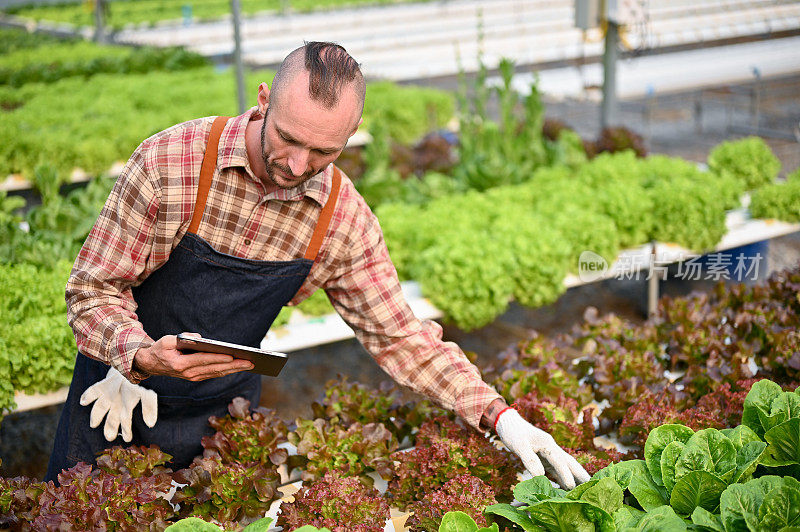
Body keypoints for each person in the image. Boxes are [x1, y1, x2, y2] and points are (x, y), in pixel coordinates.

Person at [46, 42, 590, 490]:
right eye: (288, 138)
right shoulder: (172, 162)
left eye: (324, 152)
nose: (297, 166)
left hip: (220, 418)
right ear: (262, 101)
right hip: (115, 399)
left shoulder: (341, 219)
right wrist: (136, 353)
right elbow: (91, 291)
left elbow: (402, 337)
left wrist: (503, 417)